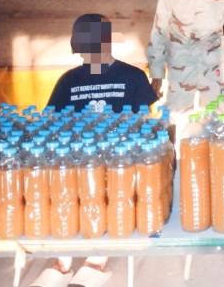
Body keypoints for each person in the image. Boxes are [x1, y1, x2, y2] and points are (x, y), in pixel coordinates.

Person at [33, 14, 157, 287]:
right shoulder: (68, 80)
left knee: (113, 192)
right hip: (79, 160)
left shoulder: (133, 77)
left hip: (119, 161)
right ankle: (62, 264)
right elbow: (51, 122)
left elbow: (144, 124)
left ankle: (95, 262)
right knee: (62, 192)